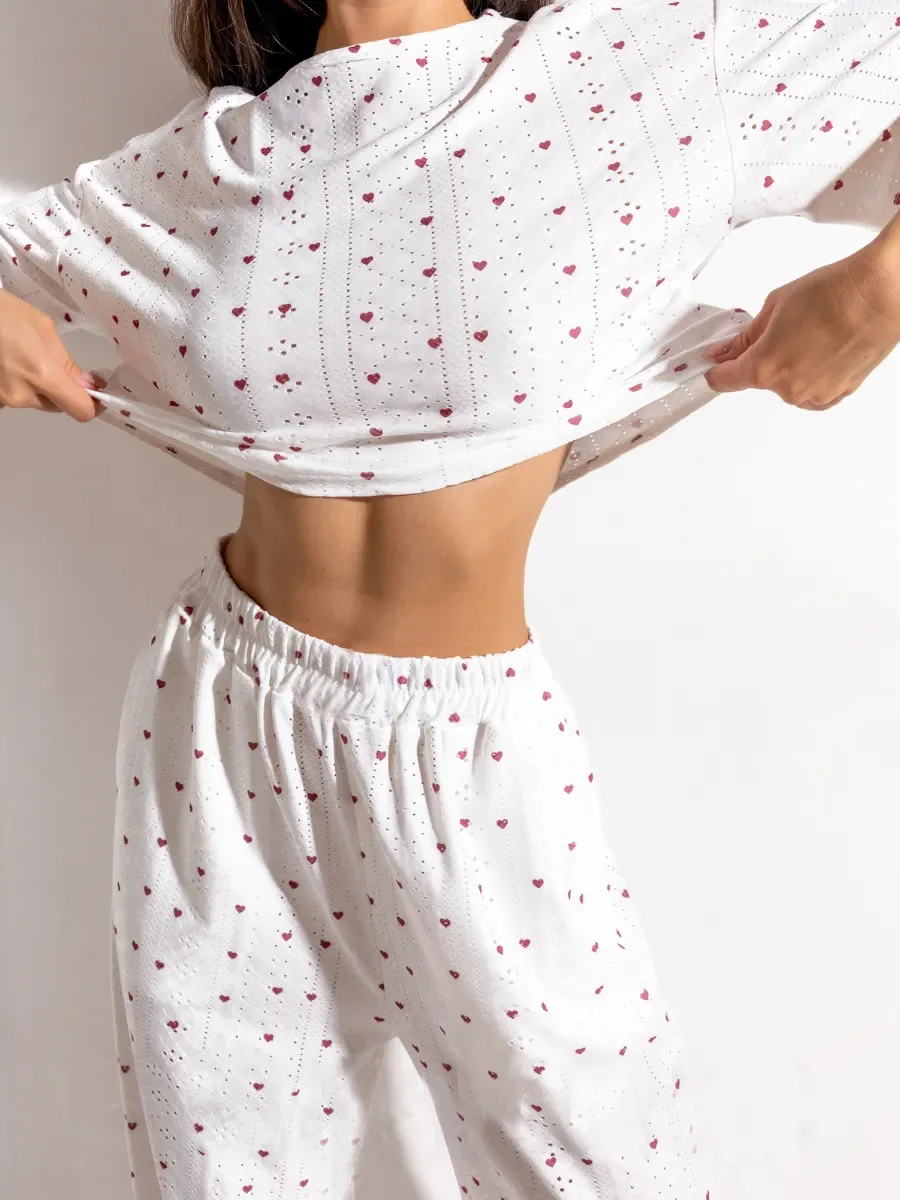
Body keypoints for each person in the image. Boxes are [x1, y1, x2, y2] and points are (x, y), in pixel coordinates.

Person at [2, 1, 900, 1196]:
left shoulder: (635, 66)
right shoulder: (211, 160)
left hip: (471, 752)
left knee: (602, 1166)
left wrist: (878, 293)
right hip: (221, 721)